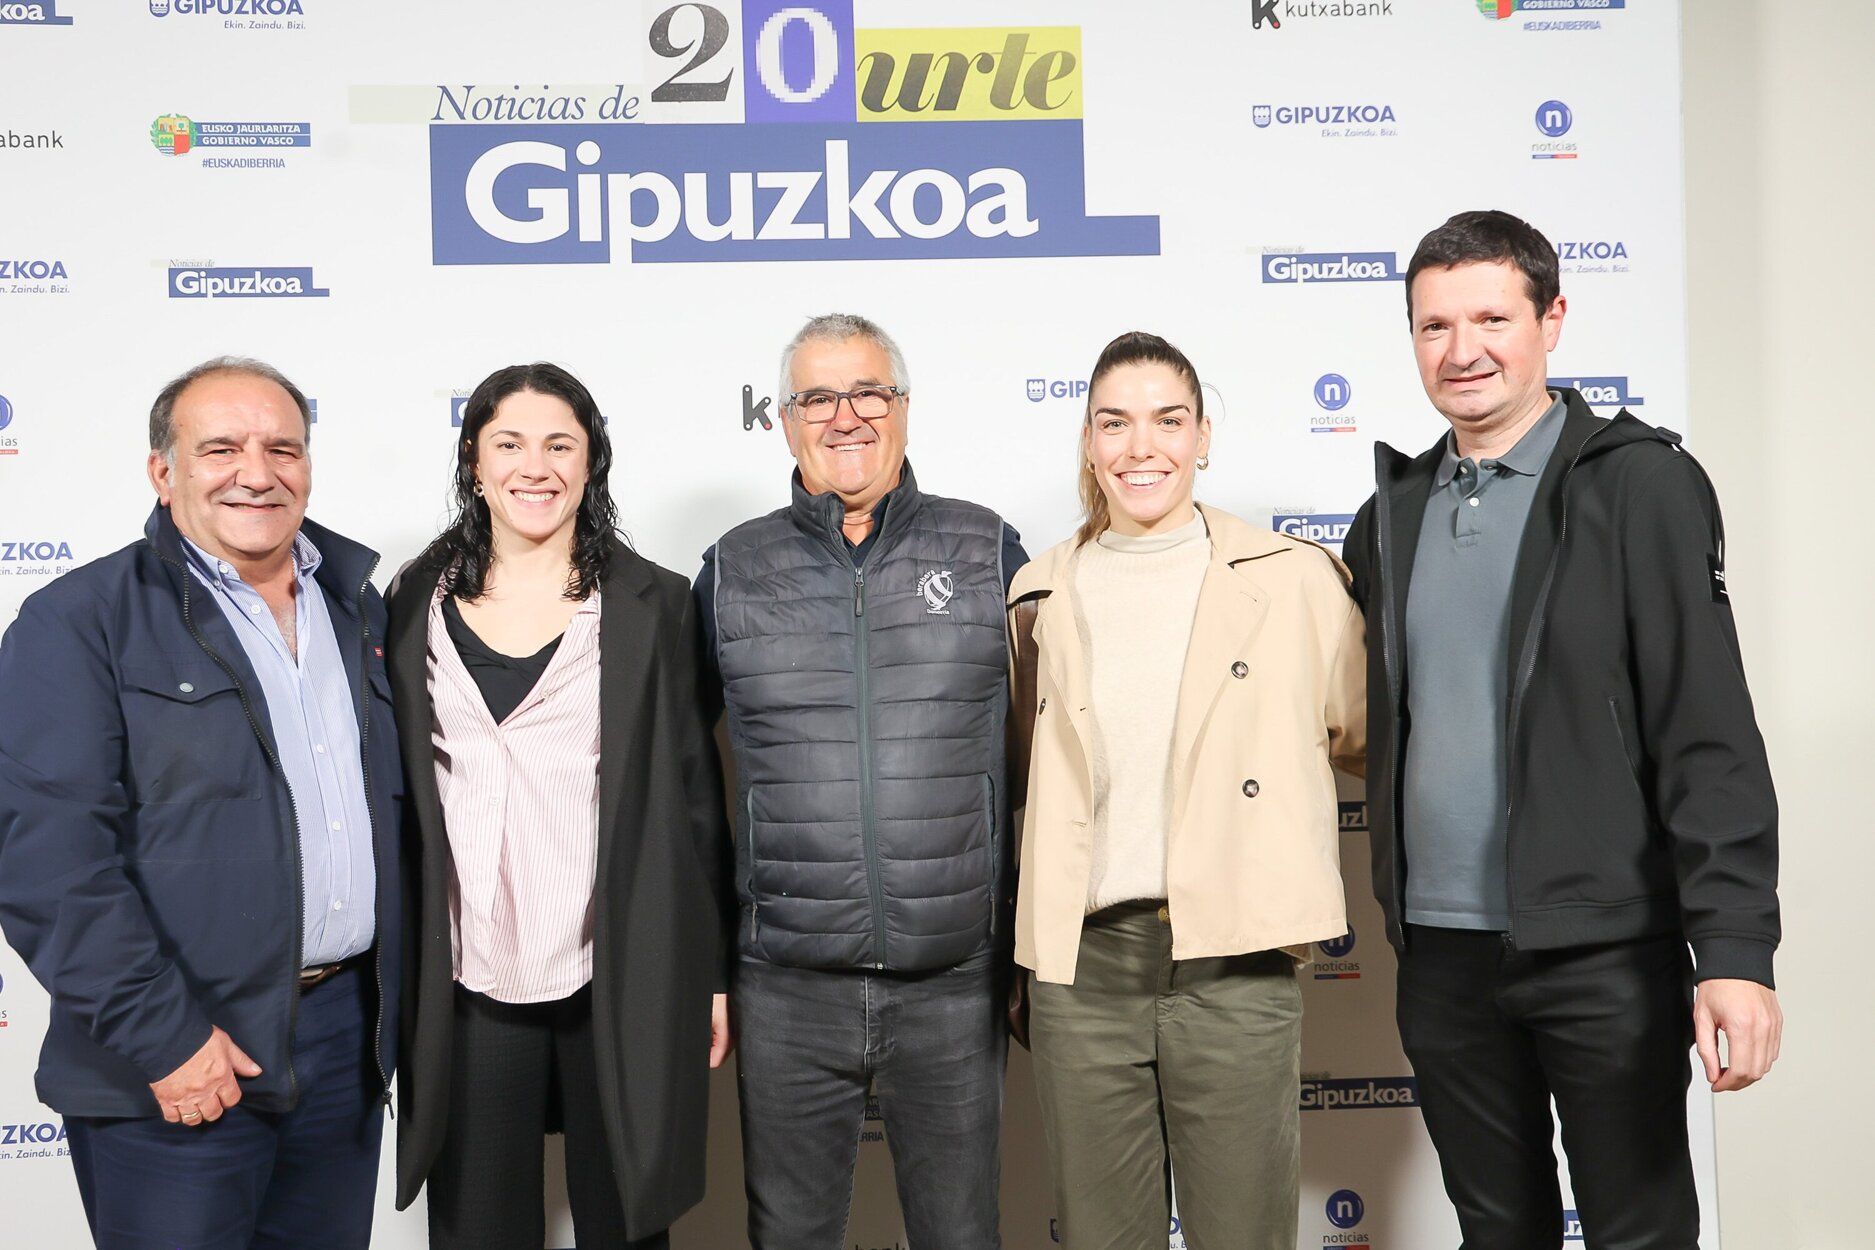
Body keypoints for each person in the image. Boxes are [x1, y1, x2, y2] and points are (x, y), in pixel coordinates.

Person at [1342, 209, 1783, 1247]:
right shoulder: (1390, 515)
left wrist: (1734, 949)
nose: (1463, 350)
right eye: (1434, 325)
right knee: (1498, 1230)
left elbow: (1708, 732)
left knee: (1640, 1229)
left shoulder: (1639, 485)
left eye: (1492, 316)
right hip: (1443, 954)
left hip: (1603, 946)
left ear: (1552, 320)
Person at [0, 357, 402, 1249]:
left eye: (281, 448)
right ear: (162, 470)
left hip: (340, 1042)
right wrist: (166, 1041)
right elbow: (50, 863)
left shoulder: (356, 609)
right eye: (219, 448)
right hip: (175, 1057)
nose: (256, 473)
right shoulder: (77, 620)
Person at [1006, 331, 1365, 1250]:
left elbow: (1362, 737)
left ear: (1204, 435)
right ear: (1087, 442)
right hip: (1084, 971)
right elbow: (1021, 768)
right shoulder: (1037, 593)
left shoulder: (1294, 580)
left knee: (1242, 1235)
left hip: (1234, 959)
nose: (1142, 448)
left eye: (1168, 421)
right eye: (1115, 423)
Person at [693, 313, 1028, 1249]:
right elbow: (679, 783)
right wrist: (703, 967)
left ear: (904, 409)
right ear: (784, 420)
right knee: (791, 1237)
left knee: (960, 1236)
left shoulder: (988, 551)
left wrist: (1025, 953)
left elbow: (1050, 762)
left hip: (954, 981)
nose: (845, 416)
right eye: (816, 397)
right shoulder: (730, 570)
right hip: (787, 988)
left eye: (868, 392)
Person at [386, 362, 731, 1250]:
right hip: (466, 977)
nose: (532, 466)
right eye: (508, 443)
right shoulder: (410, 600)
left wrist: (715, 969)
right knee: (478, 1227)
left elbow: (696, 800)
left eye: (558, 445)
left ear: (590, 462)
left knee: (624, 1221)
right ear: (473, 460)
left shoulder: (655, 605)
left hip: (614, 967)